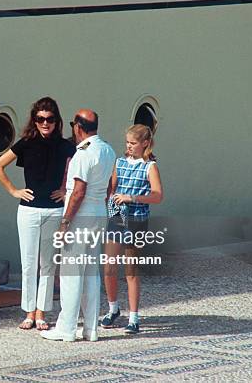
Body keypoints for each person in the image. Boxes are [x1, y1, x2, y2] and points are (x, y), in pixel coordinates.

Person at [0, 97, 75, 331]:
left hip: (54, 210)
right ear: (34, 120)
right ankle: (29, 312)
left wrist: (66, 191)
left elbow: (81, 170)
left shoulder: (66, 146)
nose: (45, 123)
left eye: (49, 119)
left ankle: (41, 313)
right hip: (28, 210)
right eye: (40, 119)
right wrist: (13, 190)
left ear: (56, 121)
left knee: (47, 264)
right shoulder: (26, 143)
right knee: (28, 264)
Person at [41, 109, 116, 342]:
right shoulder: (108, 149)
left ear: (78, 127)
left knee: (71, 274)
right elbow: (111, 186)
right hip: (98, 214)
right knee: (91, 273)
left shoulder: (82, 153)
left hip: (80, 217)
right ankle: (90, 328)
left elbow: (78, 192)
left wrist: (65, 222)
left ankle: (67, 328)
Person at [101, 124, 163, 334]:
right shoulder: (119, 162)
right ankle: (113, 309)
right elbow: (112, 188)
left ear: (145, 143)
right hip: (117, 218)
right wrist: (110, 199)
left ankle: (134, 317)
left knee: (131, 270)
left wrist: (132, 197)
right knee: (109, 267)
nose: (129, 146)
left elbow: (157, 195)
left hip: (137, 220)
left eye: (133, 143)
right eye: (127, 142)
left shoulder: (150, 167)